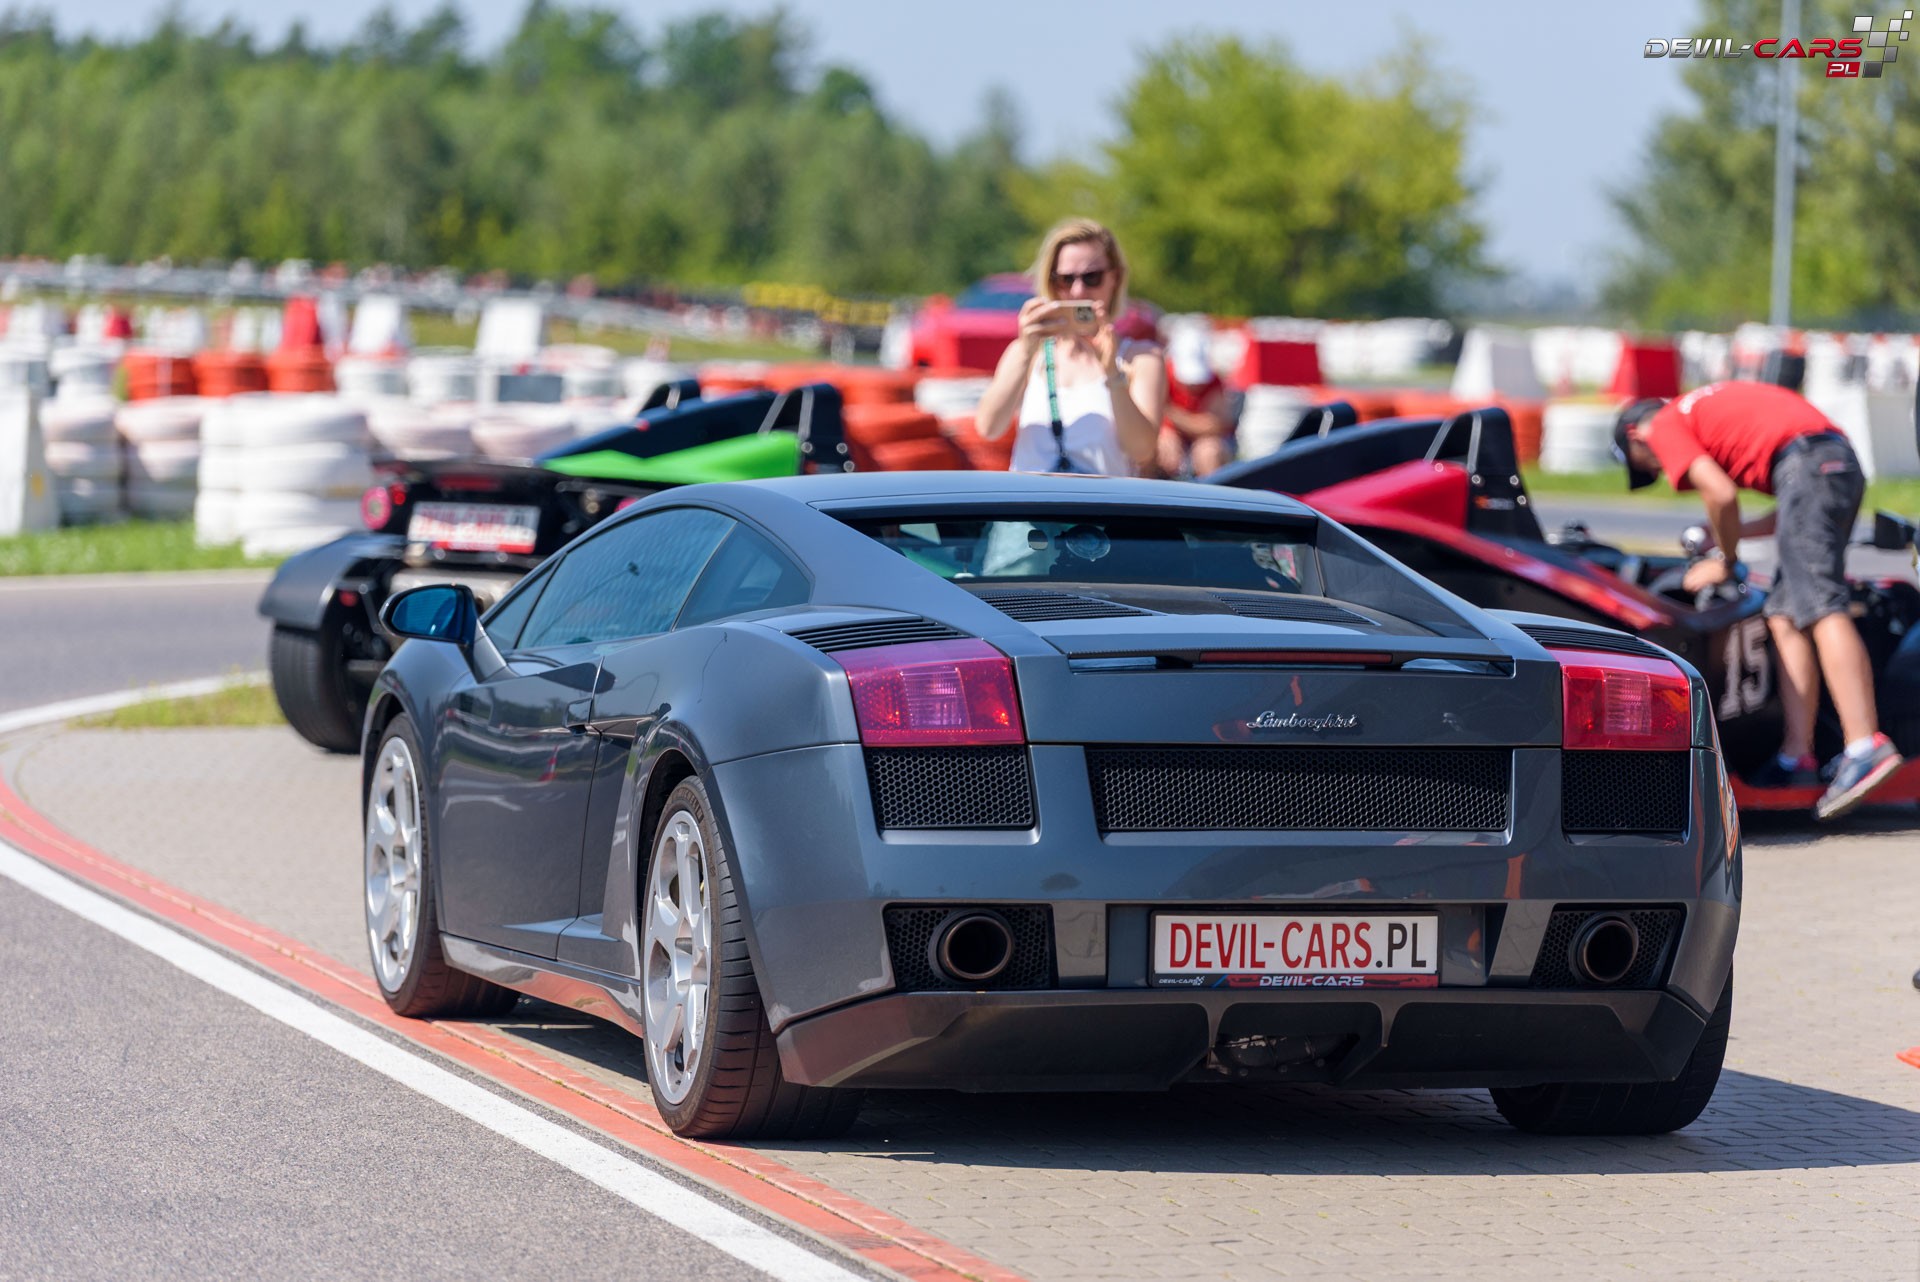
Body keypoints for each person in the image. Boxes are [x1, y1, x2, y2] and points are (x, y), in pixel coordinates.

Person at [1614, 382, 1904, 820]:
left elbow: (1721, 494)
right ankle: (1796, 758)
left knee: (1821, 606)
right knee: (1785, 615)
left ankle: (1865, 746)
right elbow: (1796, 505)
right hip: (1829, 462)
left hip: (1811, 464)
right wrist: (1723, 535)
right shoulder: (1701, 410)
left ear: (1635, 435)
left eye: (1646, 465)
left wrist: (1725, 561)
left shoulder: (1665, 423)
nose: (1658, 470)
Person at [975, 219, 1167, 476]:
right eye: (1065, 280)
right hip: (1030, 500)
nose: (1078, 291)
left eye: (1092, 278)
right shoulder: (1028, 352)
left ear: (1115, 278)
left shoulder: (1140, 358)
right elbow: (988, 428)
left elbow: (1141, 450)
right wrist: (1025, 351)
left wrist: (1112, 373)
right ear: (1051, 283)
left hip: (1101, 502)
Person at [1157, 319, 1235, 478]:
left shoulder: (1214, 383)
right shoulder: (1162, 374)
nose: (1193, 386)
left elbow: (1213, 426)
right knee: (1160, 448)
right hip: (1174, 438)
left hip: (1203, 442)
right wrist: (1167, 433)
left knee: (1209, 453)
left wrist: (1173, 416)